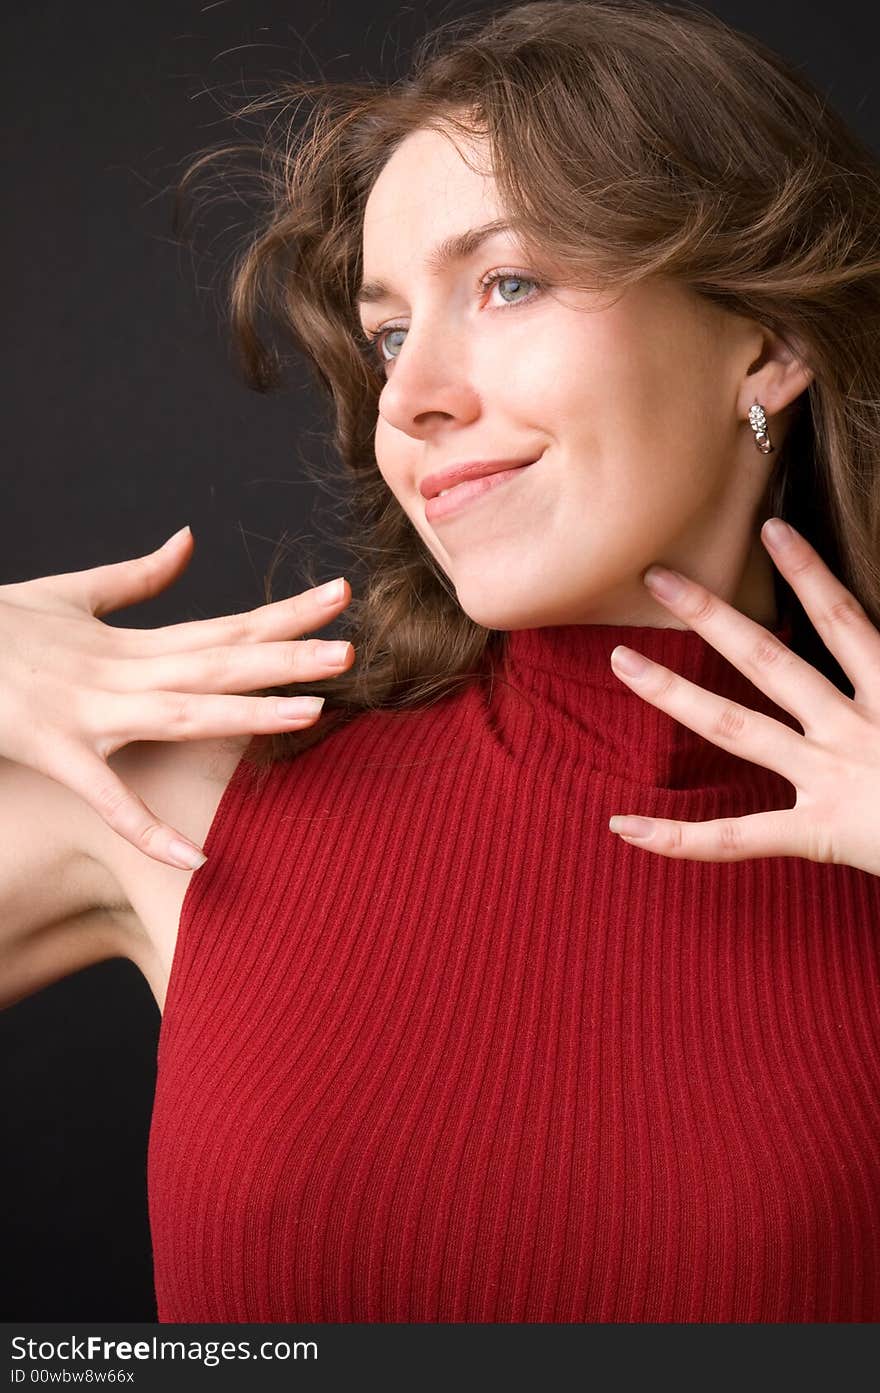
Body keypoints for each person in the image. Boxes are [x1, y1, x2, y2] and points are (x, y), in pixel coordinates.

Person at [3, 0, 880, 1323]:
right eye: (390, 332)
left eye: (509, 283)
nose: (407, 398)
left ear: (765, 336)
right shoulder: (195, 803)